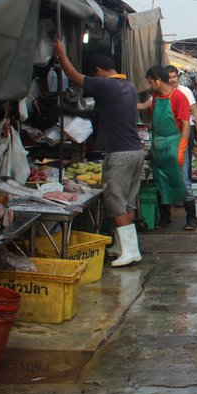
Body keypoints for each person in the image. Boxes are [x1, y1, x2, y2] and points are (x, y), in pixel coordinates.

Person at [54, 41, 145, 267]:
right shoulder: (129, 87)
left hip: (120, 154)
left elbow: (74, 76)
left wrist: (61, 53)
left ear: (98, 72)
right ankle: (121, 246)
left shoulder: (106, 85)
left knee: (115, 202)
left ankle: (131, 251)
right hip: (136, 152)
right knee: (127, 203)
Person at [142, 67, 197, 230]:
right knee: (161, 181)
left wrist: (182, 149)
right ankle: (165, 218)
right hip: (159, 146)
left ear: (158, 81)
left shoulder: (179, 96)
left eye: (150, 82)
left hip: (175, 144)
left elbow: (185, 125)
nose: (149, 85)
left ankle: (191, 219)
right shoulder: (155, 97)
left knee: (183, 181)